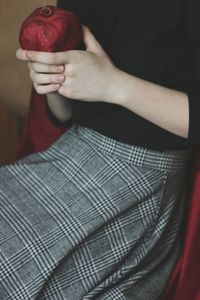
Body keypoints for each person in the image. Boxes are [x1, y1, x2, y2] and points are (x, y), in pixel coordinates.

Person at [0, 0, 199, 299]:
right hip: (68, 154)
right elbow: (64, 114)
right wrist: (52, 80)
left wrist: (114, 86)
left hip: (140, 182)